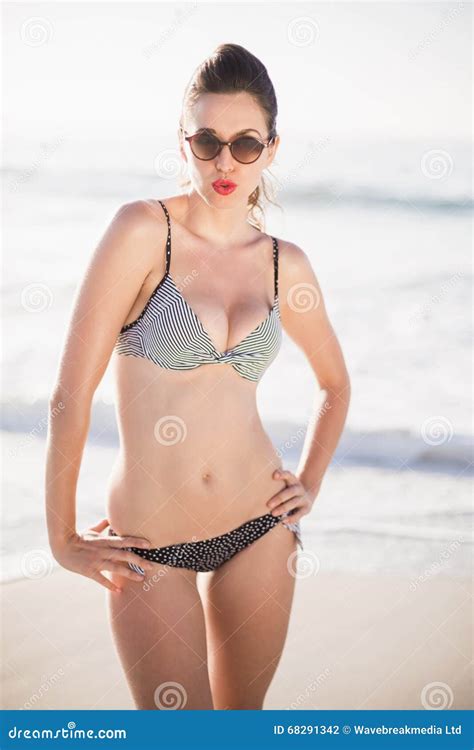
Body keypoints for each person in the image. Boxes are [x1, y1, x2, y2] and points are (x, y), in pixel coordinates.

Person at [45, 43, 350, 710]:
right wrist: (61, 538)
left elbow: (335, 384)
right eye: (207, 140)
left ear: (270, 149)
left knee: (242, 727)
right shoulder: (141, 232)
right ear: (181, 141)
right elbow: (71, 394)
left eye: (245, 144)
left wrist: (310, 483)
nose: (223, 162)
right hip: (151, 546)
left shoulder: (284, 266)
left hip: (259, 528)